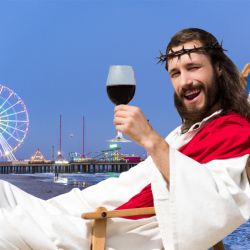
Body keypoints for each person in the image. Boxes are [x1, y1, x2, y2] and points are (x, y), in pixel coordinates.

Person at [0, 28, 249, 250]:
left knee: (5, 227)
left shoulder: (233, 132)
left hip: (106, 227)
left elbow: (215, 204)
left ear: (218, 67)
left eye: (193, 68)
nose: (184, 82)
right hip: (83, 209)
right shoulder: (190, 131)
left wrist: (150, 139)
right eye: (175, 73)